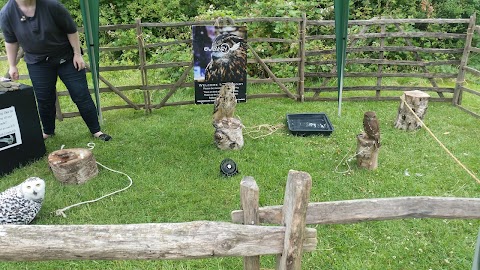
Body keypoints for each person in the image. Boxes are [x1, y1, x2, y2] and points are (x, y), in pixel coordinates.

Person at [0, 0, 111, 141]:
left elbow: (71, 30)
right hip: (37, 63)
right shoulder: (7, 13)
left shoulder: (52, 6)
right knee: (44, 99)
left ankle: (96, 131)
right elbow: (11, 41)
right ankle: (48, 131)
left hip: (66, 59)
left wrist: (77, 54)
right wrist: (12, 65)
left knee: (80, 94)